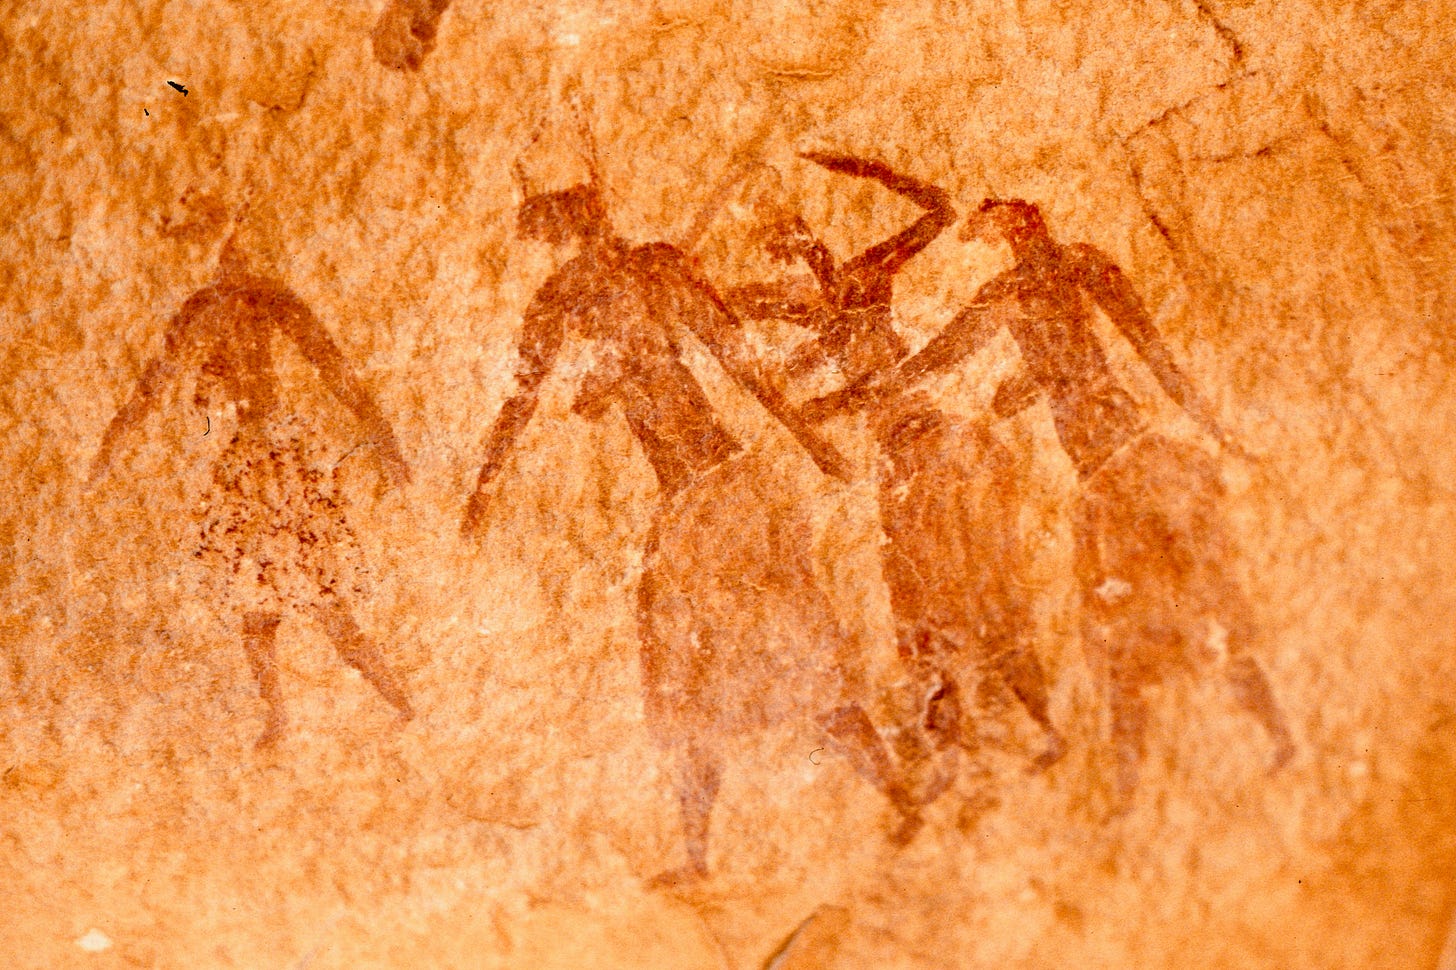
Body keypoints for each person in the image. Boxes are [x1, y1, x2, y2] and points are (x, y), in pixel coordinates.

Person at [461, 146, 924, 883]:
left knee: (756, 658)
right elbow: (532, 399)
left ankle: (890, 798)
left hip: (715, 493)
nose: (571, 234)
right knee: (697, 673)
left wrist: (486, 485)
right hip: (703, 495)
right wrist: (487, 482)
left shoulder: (620, 281)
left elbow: (733, 362)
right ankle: (709, 851)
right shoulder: (619, 281)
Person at [805, 198, 1295, 805]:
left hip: (1127, 468)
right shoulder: (1029, 285)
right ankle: (1131, 787)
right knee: (1134, 630)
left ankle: (1258, 743)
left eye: (1003, 222)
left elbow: (1149, 350)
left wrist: (1220, 433)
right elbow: (946, 361)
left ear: (1021, 223)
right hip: (1107, 475)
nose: (1004, 232)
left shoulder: (1050, 278)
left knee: (1178, 614)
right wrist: (1020, 384)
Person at [731, 155, 1063, 785]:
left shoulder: (864, 279)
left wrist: (860, 167)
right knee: (916, 604)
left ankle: (1032, 724)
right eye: (776, 254)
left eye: (789, 245)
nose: (786, 264)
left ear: (808, 242)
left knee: (969, 589)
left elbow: (936, 206)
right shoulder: (810, 319)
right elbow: (742, 316)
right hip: (895, 463)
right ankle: (954, 743)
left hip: (922, 442)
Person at [88, 236, 415, 747]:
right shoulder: (215, 303)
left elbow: (335, 370)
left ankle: (395, 701)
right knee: (257, 603)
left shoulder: (259, 298)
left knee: (315, 599)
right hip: (256, 457)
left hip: (272, 460)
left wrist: (386, 443)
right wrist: (110, 449)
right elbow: (155, 385)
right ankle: (286, 718)